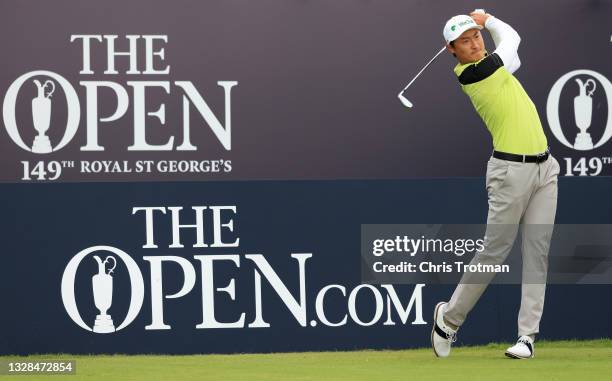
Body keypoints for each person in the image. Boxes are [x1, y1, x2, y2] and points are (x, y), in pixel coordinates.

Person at [431, 11, 560, 359]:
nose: (474, 43)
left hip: (544, 169)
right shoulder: (474, 74)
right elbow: (513, 40)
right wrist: (487, 18)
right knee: (494, 253)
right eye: (465, 41)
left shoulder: (493, 64)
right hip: (509, 172)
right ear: (452, 50)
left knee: (537, 253)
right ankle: (449, 320)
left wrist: (485, 24)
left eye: (476, 36)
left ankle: (526, 338)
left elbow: (511, 49)